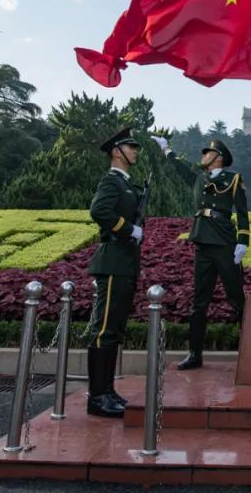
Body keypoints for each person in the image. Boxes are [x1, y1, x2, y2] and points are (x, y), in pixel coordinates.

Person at [151, 134, 249, 370]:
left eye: (208, 153)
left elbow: (242, 212)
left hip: (224, 243)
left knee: (237, 298)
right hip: (203, 241)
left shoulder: (233, 179)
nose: (203, 156)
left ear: (218, 158)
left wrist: (243, 241)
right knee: (199, 301)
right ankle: (195, 354)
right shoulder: (199, 178)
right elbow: (180, 168)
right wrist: (167, 150)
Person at [85, 127, 145, 418]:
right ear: (116, 152)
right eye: (130, 147)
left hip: (125, 263)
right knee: (104, 330)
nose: (135, 151)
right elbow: (99, 211)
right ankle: (97, 397)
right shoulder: (112, 181)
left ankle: (107, 391)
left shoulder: (127, 184)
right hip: (112, 262)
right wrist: (129, 228)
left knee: (115, 330)